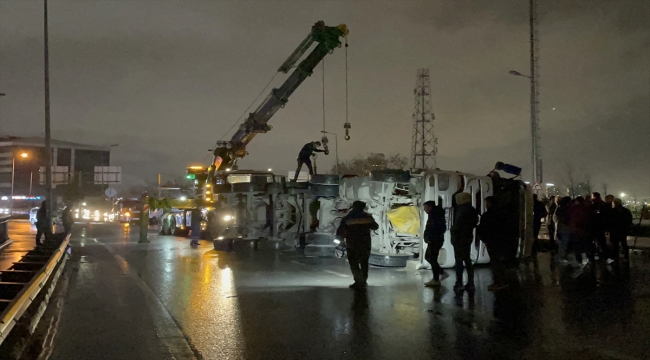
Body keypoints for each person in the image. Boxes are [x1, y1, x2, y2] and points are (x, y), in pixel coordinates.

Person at [336, 201, 379, 289]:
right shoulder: (367, 217)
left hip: (352, 244)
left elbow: (340, 232)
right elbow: (375, 227)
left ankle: (358, 280)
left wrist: (341, 242)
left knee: (353, 263)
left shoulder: (347, 218)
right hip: (365, 243)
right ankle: (363, 280)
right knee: (364, 262)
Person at [478, 196, 508, 291]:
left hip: (491, 241)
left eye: (487, 203)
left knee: (495, 262)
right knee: (498, 262)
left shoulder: (487, 215)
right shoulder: (502, 214)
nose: (486, 205)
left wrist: (484, 239)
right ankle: (501, 282)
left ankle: (498, 283)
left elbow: (483, 228)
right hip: (500, 241)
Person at [451, 192, 478, 292]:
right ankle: (470, 283)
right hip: (468, 237)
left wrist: (453, 235)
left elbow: (458, 225)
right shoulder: (472, 209)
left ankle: (459, 283)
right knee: (467, 260)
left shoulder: (461, 210)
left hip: (459, 238)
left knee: (459, 261)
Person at [422, 200, 448, 287]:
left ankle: (436, 279)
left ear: (429, 207)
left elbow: (433, 228)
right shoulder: (436, 214)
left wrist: (429, 238)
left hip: (434, 240)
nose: (424, 209)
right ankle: (440, 273)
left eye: (425, 207)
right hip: (435, 240)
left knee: (432, 258)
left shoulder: (434, 216)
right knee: (429, 257)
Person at [609, 198, 632, 263]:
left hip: (615, 230)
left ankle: (616, 256)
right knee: (624, 243)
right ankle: (626, 257)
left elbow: (610, 221)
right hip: (623, 230)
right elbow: (629, 220)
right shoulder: (626, 211)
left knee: (615, 244)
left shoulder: (613, 211)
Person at [553, 197, 573, 265]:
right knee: (563, 243)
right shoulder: (566, 208)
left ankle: (561, 256)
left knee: (562, 243)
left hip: (561, 227)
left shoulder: (560, 207)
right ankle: (561, 257)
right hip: (565, 227)